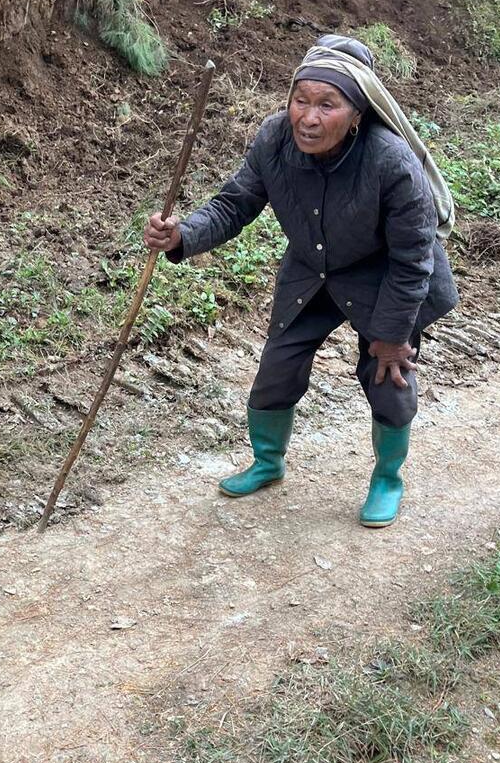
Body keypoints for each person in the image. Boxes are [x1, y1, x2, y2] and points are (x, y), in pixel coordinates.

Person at [143, 34, 459, 527]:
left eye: (327, 105)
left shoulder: (392, 161)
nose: (308, 118)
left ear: (357, 114)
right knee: (278, 365)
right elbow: (235, 203)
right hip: (312, 271)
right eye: (301, 100)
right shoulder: (274, 138)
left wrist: (394, 335)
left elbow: (412, 260)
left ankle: (387, 479)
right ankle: (268, 462)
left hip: (383, 277)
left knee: (387, 375)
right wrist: (183, 234)